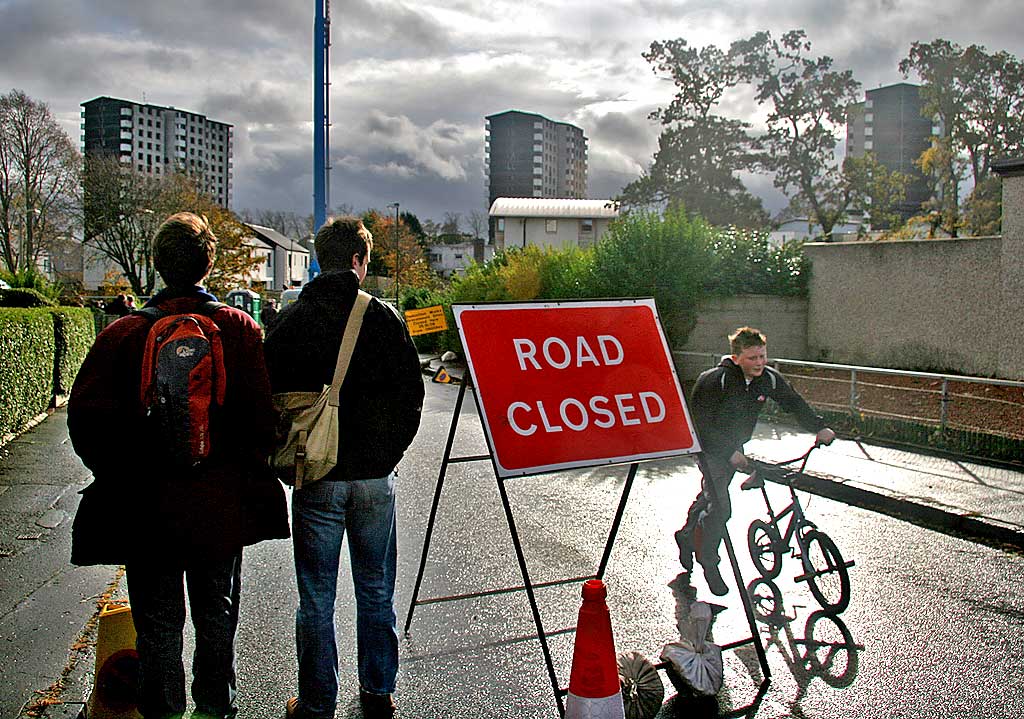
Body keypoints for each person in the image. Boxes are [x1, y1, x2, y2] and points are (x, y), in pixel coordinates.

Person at [68, 212, 289, 719]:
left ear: (157, 265)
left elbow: (86, 421)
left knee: (157, 621)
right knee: (217, 614)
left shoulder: (122, 334)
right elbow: (263, 420)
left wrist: (118, 474)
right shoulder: (238, 330)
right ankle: (214, 707)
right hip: (220, 507)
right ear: (209, 264)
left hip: (148, 509)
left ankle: (162, 709)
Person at [264, 216, 423, 719]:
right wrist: (385, 457)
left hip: (317, 476)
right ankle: (378, 690)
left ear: (318, 258)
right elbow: (412, 399)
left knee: (316, 596)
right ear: (360, 259)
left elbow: (268, 398)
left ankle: (316, 701)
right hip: (375, 479)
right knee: (375, 587)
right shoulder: (384, 317)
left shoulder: (291, 318)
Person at [675, 326, 835, 596]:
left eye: (762, 356)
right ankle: (709, 561)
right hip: (708, 447)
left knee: (711, 497)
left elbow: (793, 402)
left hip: (734, 446)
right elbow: (701, 425)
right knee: (722, 508)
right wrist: (728, 452)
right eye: (752, 358)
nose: (760, 363)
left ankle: (687, 535)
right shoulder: (715, 380)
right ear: (736, 358)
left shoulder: (768, 379)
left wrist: (819, 427)